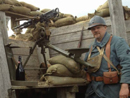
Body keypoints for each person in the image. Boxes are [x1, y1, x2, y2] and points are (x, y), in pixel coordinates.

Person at [84, 15, 130, 98]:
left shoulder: (118, 42)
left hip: (111, 89)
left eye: (98, 27)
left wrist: (125, 86)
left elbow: (127, 64)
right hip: (94, 89)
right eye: (93, 29)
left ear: (105, 27)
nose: (95, 30)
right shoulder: (92, 46)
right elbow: (85, 65)